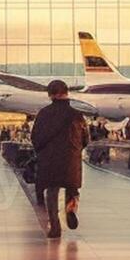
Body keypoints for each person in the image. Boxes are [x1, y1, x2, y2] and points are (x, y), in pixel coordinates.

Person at [30, 79, 88, 239]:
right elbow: (85, 139)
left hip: (49, 159)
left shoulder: (43, 114)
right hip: (71, 159)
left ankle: (55, 227)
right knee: (72, 189)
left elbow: (35, 137)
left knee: (52, 190)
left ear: (50, 95)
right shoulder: (77, 115)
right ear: (66, 93)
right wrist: (75, 151)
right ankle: (71, 208)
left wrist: (41, 152)